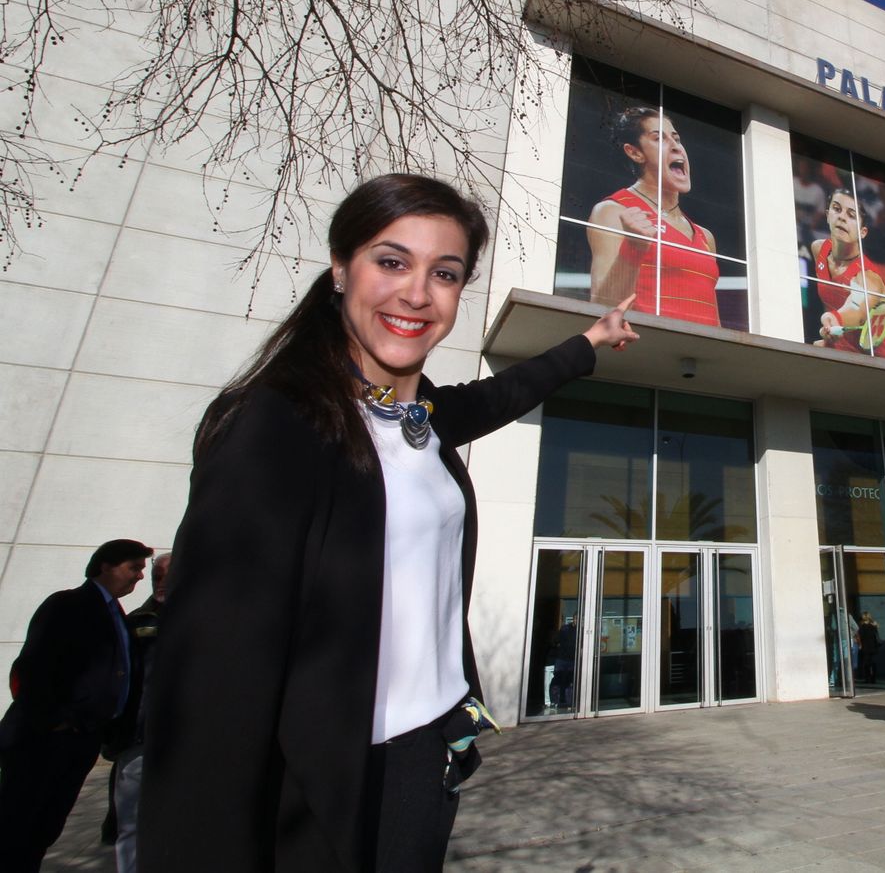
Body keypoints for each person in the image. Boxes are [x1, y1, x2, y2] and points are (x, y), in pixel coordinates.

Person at [139, 175, 639, 873]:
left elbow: (502, 393)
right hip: (324, 790)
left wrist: (588, 341)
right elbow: (209, 694)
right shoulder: (275, 426)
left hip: (426, 762)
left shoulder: (417, 417)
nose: (416, 294)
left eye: (445, 274)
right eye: (391, 261)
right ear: (341, 269)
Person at [0, 538, 153, 873]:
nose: (140, 576)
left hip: (83, 738)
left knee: (46, 825)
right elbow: (32, 668)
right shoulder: (68, 605)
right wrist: (56, 720)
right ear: (106, 566)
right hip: (45, 740)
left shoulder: (118, 615)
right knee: (18, 824)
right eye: (134, 567)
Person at [587, 107, 720, 325]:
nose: (676, 147)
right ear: (635, 152)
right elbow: (603, 310)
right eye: (660, 138)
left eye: (677, 139)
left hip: (701, 356)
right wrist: (633, 248)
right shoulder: (614, 211)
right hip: (648, 352)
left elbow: (714, 322)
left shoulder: (706, 237)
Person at [101, 550, 171, 873]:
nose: (160, 582)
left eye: (167, 576)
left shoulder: (206, 622)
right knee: (132, 824)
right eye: (157, 576)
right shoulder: (137, 622)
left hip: (184, 739)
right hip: (139, 738)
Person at [807, 186, 885, 359]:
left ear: (862, 232)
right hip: (848, 358)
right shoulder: (819, 249)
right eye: (837, 209)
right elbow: (830, 298)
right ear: (827, 215)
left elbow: (856, 309)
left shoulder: (867, 277)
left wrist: (834, 319)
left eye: (851, 215)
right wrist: (830, 340)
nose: (842, 217)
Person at [857, 611, 881, 684]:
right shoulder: (873, 626)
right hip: (873, 647)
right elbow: (876, 636)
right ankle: (873, 678)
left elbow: (859, 637)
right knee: (873, 663)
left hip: (865, 647)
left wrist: (859, 645)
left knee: (866, 664)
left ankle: (867, 678)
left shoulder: (862, 627)